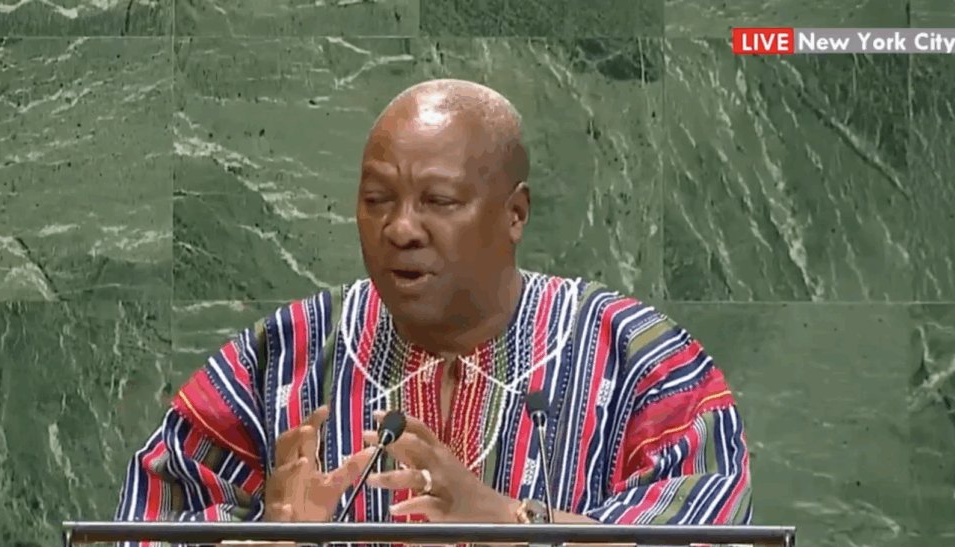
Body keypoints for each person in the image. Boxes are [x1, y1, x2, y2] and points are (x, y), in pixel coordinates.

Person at [114, 79, 752, 547]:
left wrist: (507, 519)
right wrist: (272, 540)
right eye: (376, 199)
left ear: (515, 214)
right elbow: (139, 527)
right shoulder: (283, 358)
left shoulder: (640, 358)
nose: (400, 229)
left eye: (439, 201)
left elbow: (712, 529)